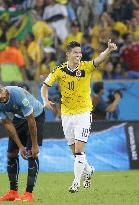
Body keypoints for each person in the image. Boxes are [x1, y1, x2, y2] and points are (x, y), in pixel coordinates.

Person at [41, 40, 117, 193]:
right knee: (74, 152)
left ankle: (75, 183)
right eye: (75, 52)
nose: (78, 55)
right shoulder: (59, 70)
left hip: (83, 113)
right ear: (68, 54)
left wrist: (108, 50)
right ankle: (88, 171)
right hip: (67, 115)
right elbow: (45, 86)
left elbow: (99, 59)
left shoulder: (86, 67)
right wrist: (45, 100)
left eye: (80, 52)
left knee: (79, 150)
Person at [0, 80, 45, 202]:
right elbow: (8, 124)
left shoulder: (17, 94)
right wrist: (19, 146)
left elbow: (31, 120)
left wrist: (34, 145)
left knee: (31, 153)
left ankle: (28, 194)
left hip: (36, 116)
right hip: (19, 117)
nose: (0, 96)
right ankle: (13, 192)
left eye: (0, 91)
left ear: (4, 88)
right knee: (11, 153)